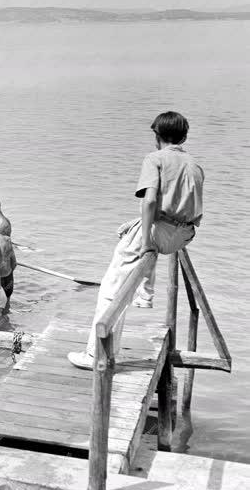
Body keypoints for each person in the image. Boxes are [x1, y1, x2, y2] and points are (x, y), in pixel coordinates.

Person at [68, 111, 205, 370]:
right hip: (184, 235)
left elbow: (151, 201)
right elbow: (180, 208)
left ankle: (96, 354)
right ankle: (144, 292)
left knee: (112, 287)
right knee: (130, 232)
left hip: (161, 232)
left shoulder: (154, 158)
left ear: (157, 135)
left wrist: (145, 242)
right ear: (184, 136)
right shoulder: (194, 165)